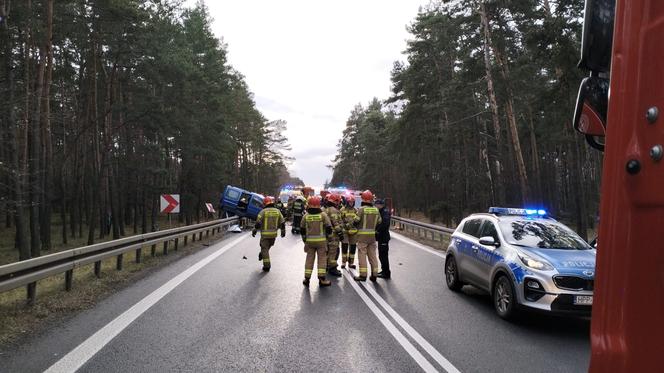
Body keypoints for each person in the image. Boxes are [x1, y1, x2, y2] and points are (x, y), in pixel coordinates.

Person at [300, 196, 333, 287]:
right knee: (322, 260)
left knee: (309, 259)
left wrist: (304, 240)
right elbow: (329, 227)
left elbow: (302, 229)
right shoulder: (323, 215)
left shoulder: (306, 216)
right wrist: (329, 239)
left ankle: (307, 278)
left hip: (310, 242)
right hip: (321, 242)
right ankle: (322, 279)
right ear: (319, 205)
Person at [354, 190, 381, 282]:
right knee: (373, 256)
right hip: (372, 237)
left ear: (364, 199)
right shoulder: (376, 210)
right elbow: (379, 221)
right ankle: (375, 274)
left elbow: (356, 221)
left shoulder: (361, 209)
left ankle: (363, 275)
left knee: (362, 255)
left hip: (362, 237)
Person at [252, 196, 286, 272]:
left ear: (265, 204)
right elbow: (282, 222)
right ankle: (263, 253)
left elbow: (258, 223)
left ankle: (267, 266)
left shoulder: (263, 212)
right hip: (273, 235)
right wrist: (283, 231)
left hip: (265, 235)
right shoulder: (277, 211)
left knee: (264, 248)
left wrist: (254, 230)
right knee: (266, 248)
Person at [324, 194, 345, 277]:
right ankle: (332, 268)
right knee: (333, 252)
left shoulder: (326, 209)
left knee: (328, 251)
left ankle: (326, 266)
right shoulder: (334, 210)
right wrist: (340, 233)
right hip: (333, 236)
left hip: (327, 235)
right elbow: (335, 223)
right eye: (338, 201)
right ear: (336, 201)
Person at [375, 198, 392, 279]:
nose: (375, 206)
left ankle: (386, 273)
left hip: (383, 237)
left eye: (376, 205)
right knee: (381, 255)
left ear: (380, 205)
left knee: (383, 256)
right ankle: (384, 271)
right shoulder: (382, 211)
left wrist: (377, 230)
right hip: (382, 237)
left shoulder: (385, 212)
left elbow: (385, 223)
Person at [340, 195, 359, 269]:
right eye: (350, 202)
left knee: (353, 247)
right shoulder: (342, 210)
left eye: (352, 202)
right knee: (344, 246)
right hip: (345, 231)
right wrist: (344, 225)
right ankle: (343, 262)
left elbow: (358, 220)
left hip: (353, 232)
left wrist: (355, 227)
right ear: (347, 202)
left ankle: (351, 263)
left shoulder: (355, 210)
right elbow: (340, 220)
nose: (351, 203)